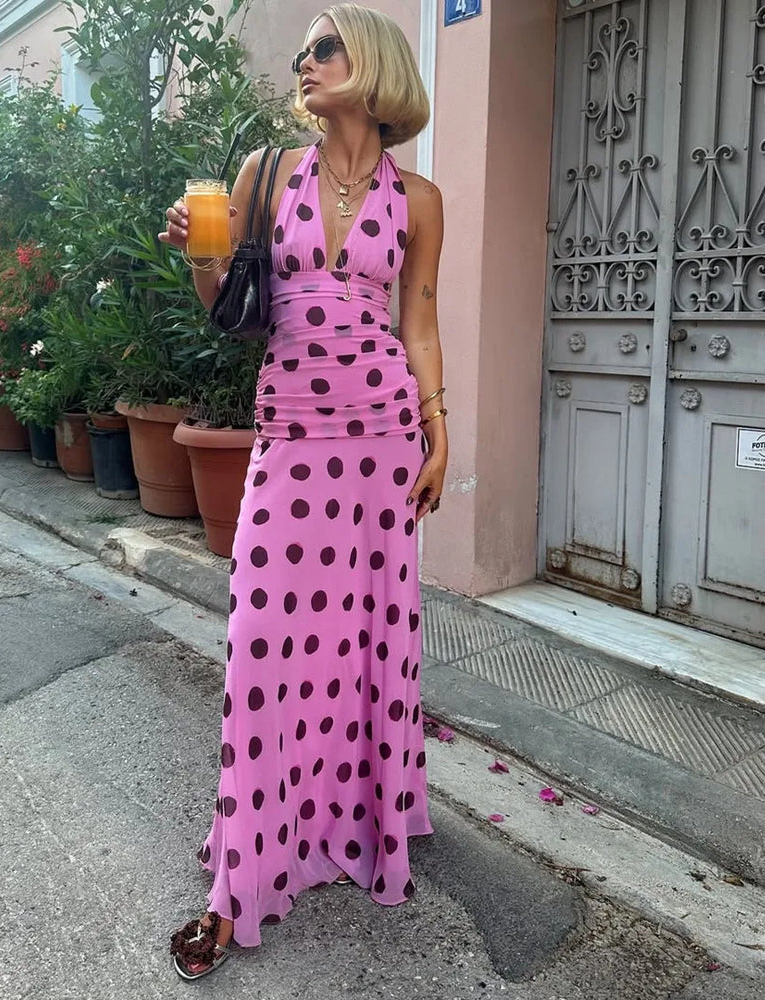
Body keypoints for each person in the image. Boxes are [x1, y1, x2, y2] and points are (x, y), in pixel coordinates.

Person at [158, 2, 447, 980]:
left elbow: (419, 322)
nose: (305, 61)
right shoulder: (266, 173)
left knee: (364, 641)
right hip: (291, 435)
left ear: (372, 62)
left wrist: (440, 428)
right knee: (263, 645)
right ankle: (239, 883)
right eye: (304, 50)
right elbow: (231, 311)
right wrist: (201, 255)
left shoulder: (420, 199)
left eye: (324, 46)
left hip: (382, 437)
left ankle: (360, 822)